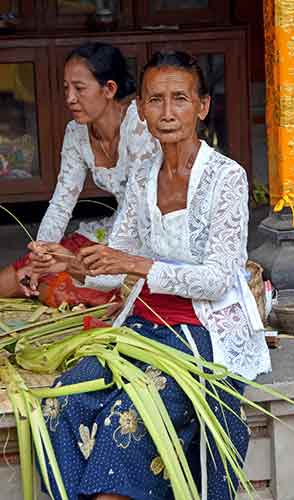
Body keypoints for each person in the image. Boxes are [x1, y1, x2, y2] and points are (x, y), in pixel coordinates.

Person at [29, 51, 271, 500]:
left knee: (130, 416)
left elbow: (217, 279)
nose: (166, 112)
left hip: (201, 333)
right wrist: (71, 262)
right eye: (155, 100)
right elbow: (115, 262)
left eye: (179, 98)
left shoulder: (226, 178)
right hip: (140, 328)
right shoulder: (143, 175)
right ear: (140, 109)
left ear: (201, 107)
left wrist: (135, 266)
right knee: (61, 403)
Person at [0, 41, 159, 299]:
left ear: (109, 89)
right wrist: (43, 251)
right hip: (113, 231)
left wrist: (101, 263)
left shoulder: (139, 127)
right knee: (17, 275)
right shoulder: (76, 133)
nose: (70, 98)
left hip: (146, 238)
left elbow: (134, 210)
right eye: (66, 88)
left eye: (79, 88)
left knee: (72, 284)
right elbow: (62, 203)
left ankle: (98, 295)